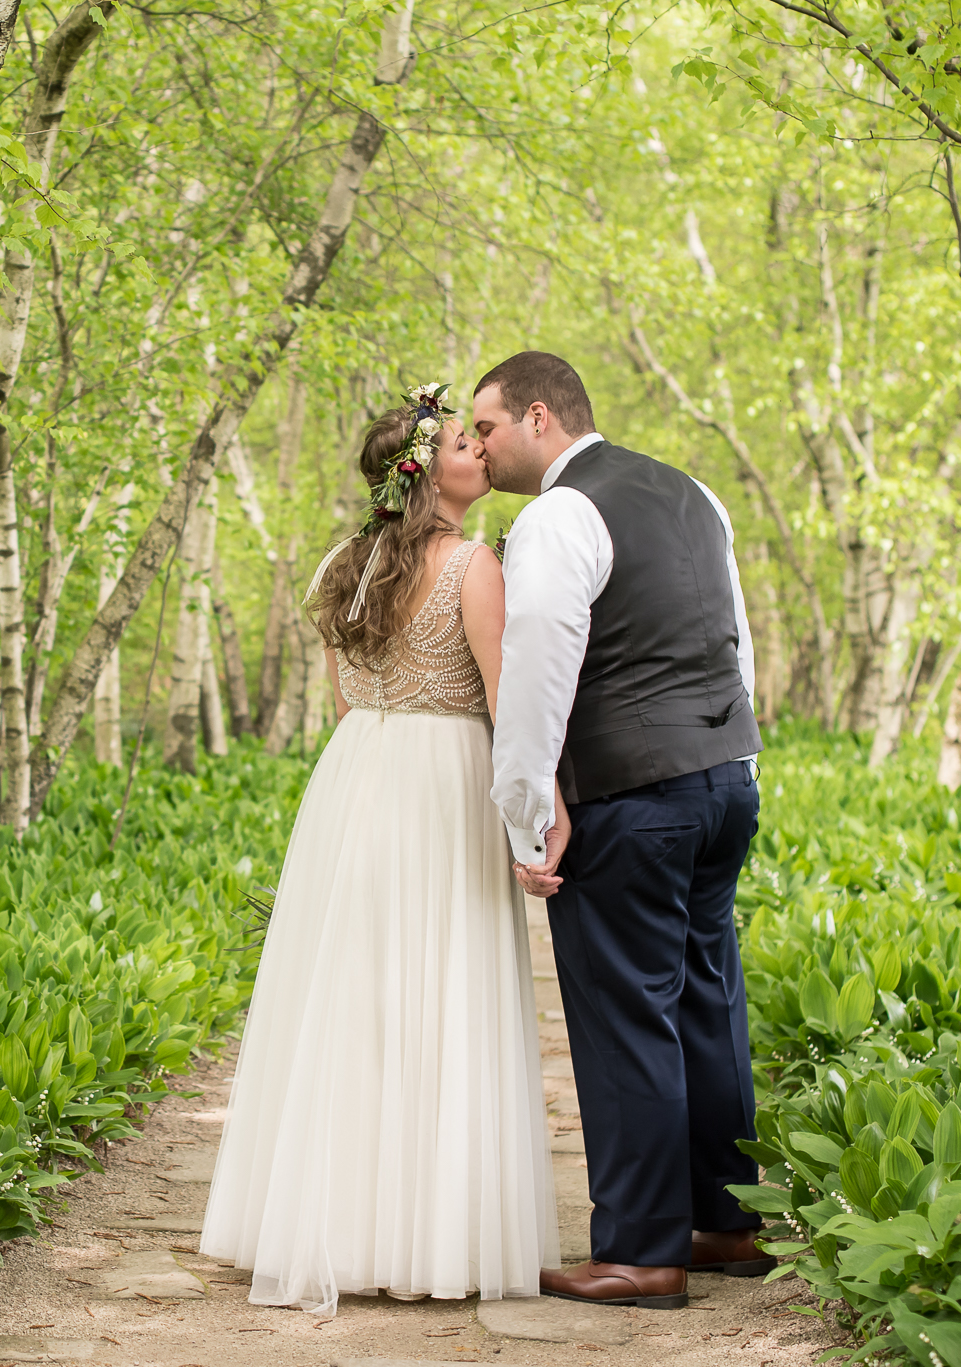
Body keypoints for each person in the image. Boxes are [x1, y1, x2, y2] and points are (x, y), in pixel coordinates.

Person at [200, 384, 559, 1316]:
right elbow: (506, 702)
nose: (478, 450)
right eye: (459, 443)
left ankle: (334, 1219)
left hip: (358, 773)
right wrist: (535, 813)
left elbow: (347, 700)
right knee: (439, 986)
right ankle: (426, 1228)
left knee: (352, 991)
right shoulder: (478, 566)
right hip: (445, 779)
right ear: (425, 474)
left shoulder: (341, 565)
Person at [477, 351, 773, 1311]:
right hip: (724, 778)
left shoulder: (557, 515)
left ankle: (643, 1251)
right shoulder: (695, 494)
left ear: (537, 417)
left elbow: (537, 669)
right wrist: (740, 761)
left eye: (485, 428)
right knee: (705, 995)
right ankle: (724, 1222)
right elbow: (734, 639)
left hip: (631, 796)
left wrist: (529, 813)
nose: (479, 447)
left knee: (624, 1012)